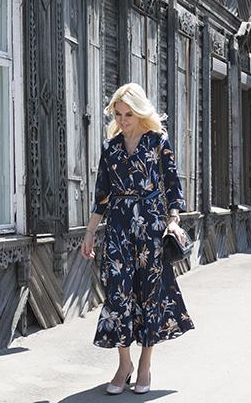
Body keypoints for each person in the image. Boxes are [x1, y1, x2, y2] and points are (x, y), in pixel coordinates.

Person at [80, 83, 194, 395]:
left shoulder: (158, 141)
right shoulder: (111, 147)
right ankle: (124, 364)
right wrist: (90, 233)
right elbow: (102, 196)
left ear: (140, 111)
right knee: (118, 294)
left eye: (128, 114)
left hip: (151, 227)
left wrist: (173, 219)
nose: (123, 119)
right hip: (118, 228)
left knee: (149, 294)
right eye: (118, 114)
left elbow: (172, 184)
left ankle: (144, 364)